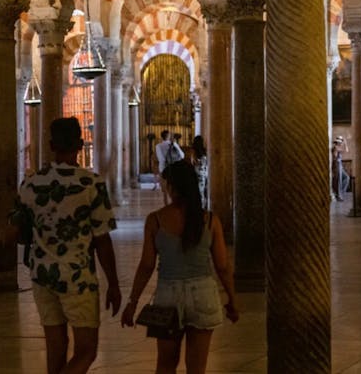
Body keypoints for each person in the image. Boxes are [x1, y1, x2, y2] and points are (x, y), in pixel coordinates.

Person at [14, 117, 121, 374]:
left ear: (51, 145)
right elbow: (102, 239)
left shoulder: (31, 184)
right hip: (78, 279)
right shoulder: (90, 185)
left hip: (42, 275)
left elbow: (18, 232)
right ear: (81, 145)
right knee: (87, 350)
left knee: (56, 348)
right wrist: (114, 284)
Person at [121, 160, 239, 374]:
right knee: (197, 368)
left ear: (172, 187)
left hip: (167, 296)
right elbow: (222, 266)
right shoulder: (211, 220)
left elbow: (147, 266)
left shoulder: (155, 220)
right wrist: (231, 298)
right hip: (203, 294)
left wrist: (132, 302)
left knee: (166, 365)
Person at [156, 130, 185, 205]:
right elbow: (182, 156)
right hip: (175, 168)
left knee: (165, 190)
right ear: (169, 136)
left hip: (164, 169)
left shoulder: (158, 146)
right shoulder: (174, 144)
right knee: (174, 188)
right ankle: (174, 205)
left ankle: (166, 206)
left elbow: (161, 159)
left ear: (161, 137)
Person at [331, 137, 350, 201]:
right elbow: (346, 150)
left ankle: (340, 193)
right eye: (341, 142)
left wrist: (345, 143)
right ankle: (339, 196)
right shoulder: (336, 147)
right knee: (339, 181)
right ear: (338, 142)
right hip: (337, 164)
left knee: (346, 177)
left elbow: (346, 151)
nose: (341, 143)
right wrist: (345, 143)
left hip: (340, 165)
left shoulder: (338, 148)